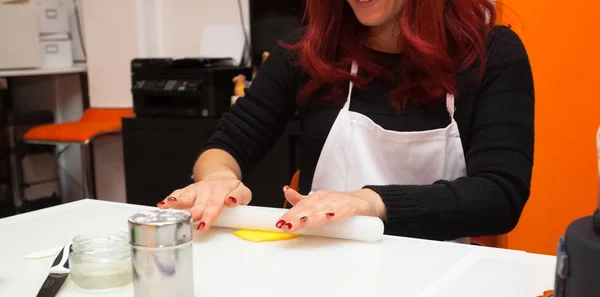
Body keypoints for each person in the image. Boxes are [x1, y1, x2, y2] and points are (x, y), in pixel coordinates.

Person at [158, 0, 534, 242]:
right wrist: (217, 177)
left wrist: (369, 203)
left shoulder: (491, 55)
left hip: (440, 277)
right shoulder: (309, 53)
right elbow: (228, 143)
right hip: (320, 272)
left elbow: (499, 196)